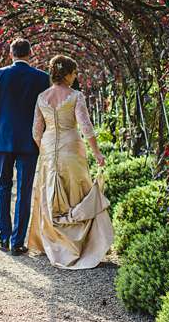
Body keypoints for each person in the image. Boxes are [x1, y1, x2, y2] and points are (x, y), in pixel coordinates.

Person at [28, 55, 113, 269]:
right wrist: (97, 153)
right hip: (71, 147)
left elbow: (36, 131)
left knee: (50, 193)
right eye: (74, 73)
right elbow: (85, 127)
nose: (75, 77)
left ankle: (54, 242)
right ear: (66, 74)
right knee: (77, 191)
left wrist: (44, 150)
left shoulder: (41, 97)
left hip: (48, 147)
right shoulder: (75, 96)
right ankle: (79, 243)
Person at [0, 38, 50, 254]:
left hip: (2, 139)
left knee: (3, 187)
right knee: (24, 189)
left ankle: (3, 237)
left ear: (11, 54)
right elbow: (45, 112)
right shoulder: (41, 78)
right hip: (30, 141)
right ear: (30, 53)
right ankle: (17, 242)